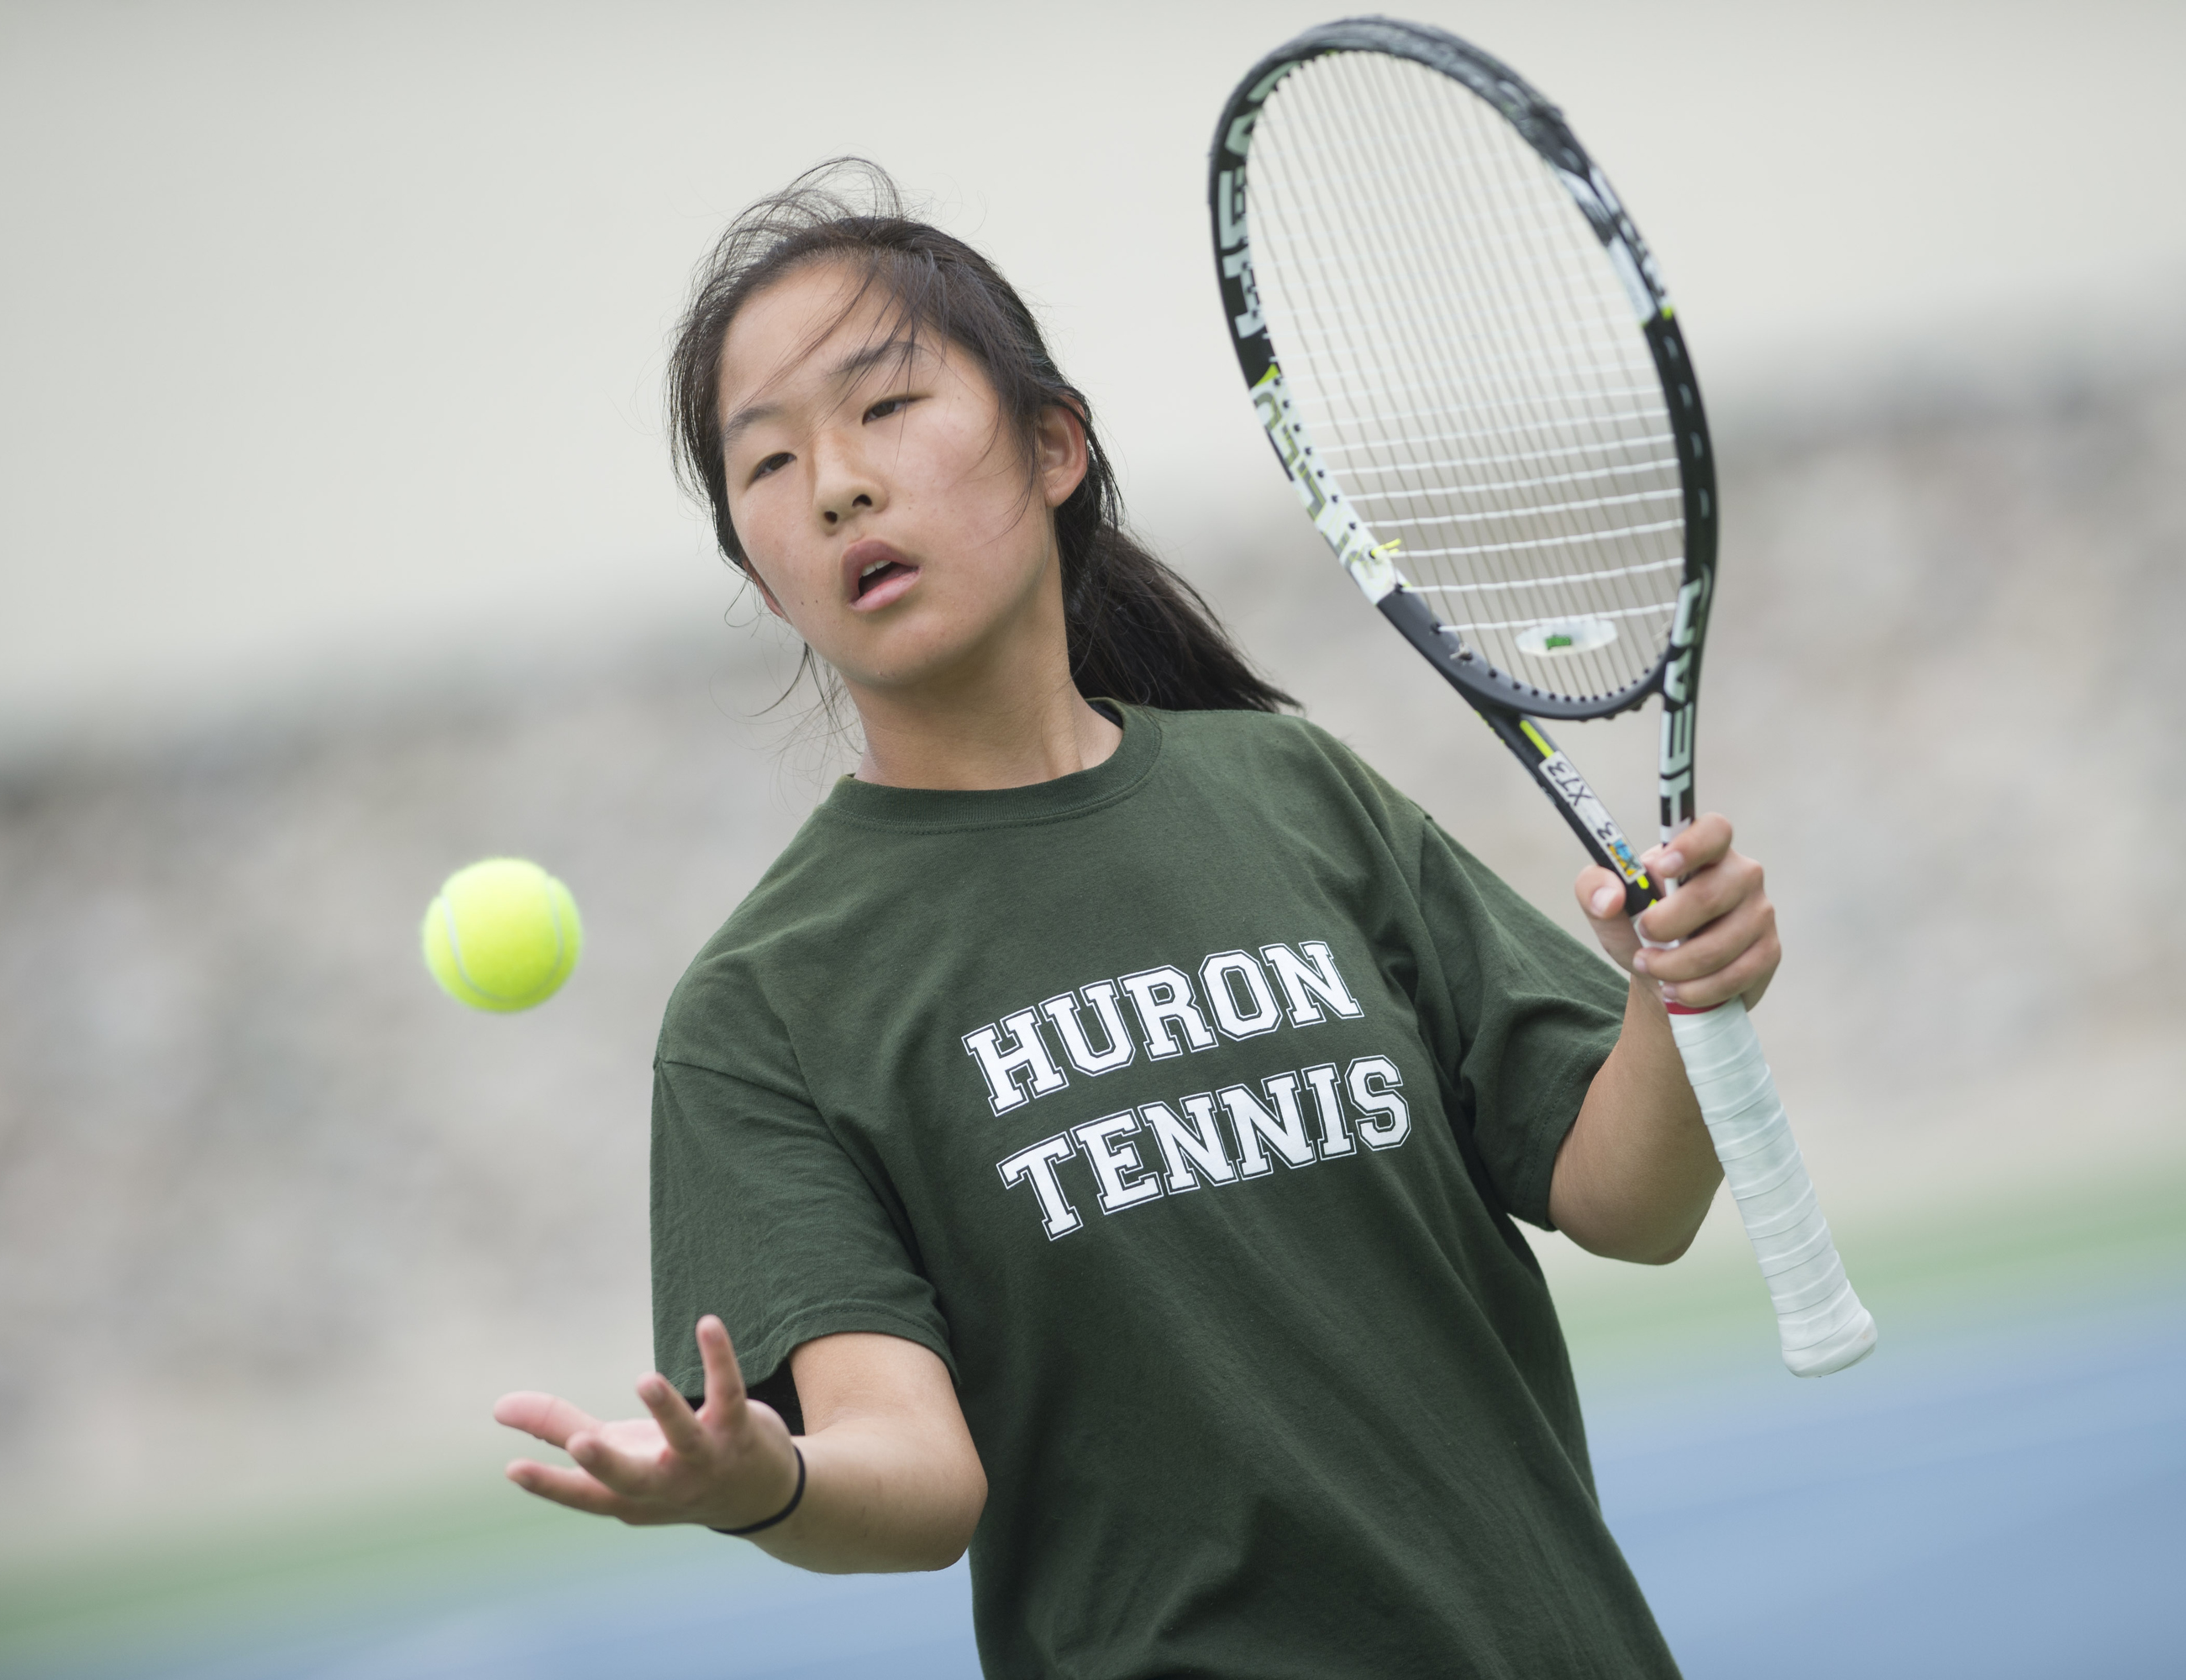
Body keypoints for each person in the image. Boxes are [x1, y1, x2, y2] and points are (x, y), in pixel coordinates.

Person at [492, 161, 1781, 1679]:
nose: (834, 481)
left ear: (1054, 447)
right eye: (766, 464)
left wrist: (1680, 994)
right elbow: (913, 1479)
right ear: (766, 578)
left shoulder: (1294, 791)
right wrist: (763, 1483)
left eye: (885, 407)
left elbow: (1631, 1200)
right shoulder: (763, 1011)